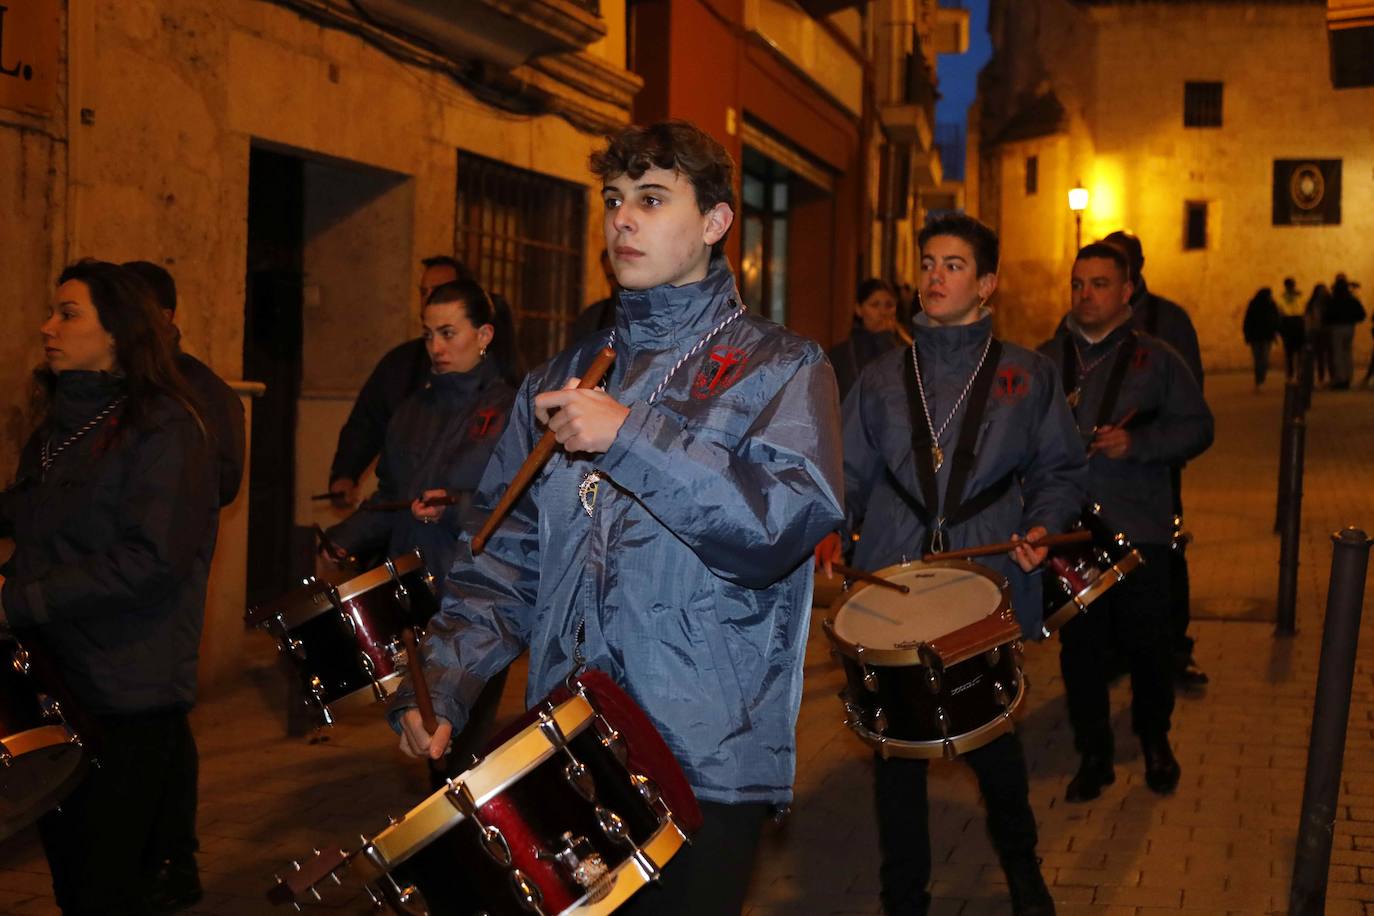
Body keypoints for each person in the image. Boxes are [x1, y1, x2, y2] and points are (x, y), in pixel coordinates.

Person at [388, 120, 845, 915]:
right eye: (613, 200)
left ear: (714, 222)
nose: (623, 219)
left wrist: (630, 436)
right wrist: (448, 685)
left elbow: (774, 531)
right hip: (571, 744)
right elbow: (502, 560)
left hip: (705, 753)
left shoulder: (784, 367)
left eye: (652, 199)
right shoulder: (565, 374)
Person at [816, 214, 1083, 916]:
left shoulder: (1029, 374)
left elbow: (1060, 470)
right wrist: (832, 529)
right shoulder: (878, 378)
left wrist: (1042, 527)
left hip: (984, 580)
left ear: (987, 283)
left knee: (992, 738)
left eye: (955, 265)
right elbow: (846, 476)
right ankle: (903, 896)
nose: (935, 277)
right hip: (892, 575)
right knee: (893, 749)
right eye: (928, 263)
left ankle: (1024, 874)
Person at [0, 260, 218, 914]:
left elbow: (151, 559)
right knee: (72, 876)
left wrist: (16, 602)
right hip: (57, 679)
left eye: (68, 313)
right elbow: (35, 514)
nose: (47, 327)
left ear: (118, 334)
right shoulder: (61, 426)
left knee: (108, 887)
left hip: (126, 692)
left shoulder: (165, 429)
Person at [1039, 243, 1214, 803]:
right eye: (1077, 284)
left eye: (1098, 284)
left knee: (1149, 643)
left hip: (1140, 526)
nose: (1085, 295)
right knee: (1081, 650)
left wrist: (1136, 443)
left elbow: (1199, 428)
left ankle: (1155, 740)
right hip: (1072, 531)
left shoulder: (1157, 359)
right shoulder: (1044, 360)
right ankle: (1094, 755)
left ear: (1126, 290)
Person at [324, 278, 520, 768]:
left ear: (485, 335)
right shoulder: (411, 410)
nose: (436, 347)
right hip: (413, 591)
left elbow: (519, 505)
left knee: (462, 741)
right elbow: (391, 494)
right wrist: (344, 539)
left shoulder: (510, 409)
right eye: (428, 334)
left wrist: (455, 504)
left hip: (475, 595)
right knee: (428, 733)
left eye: (449, 333)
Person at [1100, 230, 1207, 689]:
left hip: (1151, 469)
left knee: (1165, 557)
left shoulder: (1169, 321)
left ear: (1137, 269)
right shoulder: (1086, 324)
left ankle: (1173, 648)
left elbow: (1190, 406)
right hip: (1100, 474)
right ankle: (1114, 647)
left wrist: (1146, 442)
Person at [327, 255, 474, 506]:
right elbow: (367, 421)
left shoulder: (495, 383)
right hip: (406, 508)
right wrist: (346, 473)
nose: (428, 298)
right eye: (423, 291)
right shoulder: (401, 363)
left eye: (438, 291)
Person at [123, 260, 246, 507]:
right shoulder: (105, 378)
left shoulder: (202, 389)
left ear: (164, 317)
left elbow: (223, 481)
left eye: (127, 310)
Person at [828, 277, 903, 400]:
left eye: (889, 305)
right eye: (875, 305)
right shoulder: (842, 355)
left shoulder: (906, 351)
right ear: (859, 309)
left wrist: (886, 339)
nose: (883, 312)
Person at [1324, 274, 1367, 390]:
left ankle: (1340, 379)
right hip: (1349, 327)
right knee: (1347, 353)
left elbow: (1327, 315)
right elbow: (1362, 314)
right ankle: (1348, 377)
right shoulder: (1352, 300)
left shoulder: (1333, 300)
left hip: (1337, 328)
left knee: (1338, 354)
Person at [568, 249, 620, 341]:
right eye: (612, 277)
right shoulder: (591, 317)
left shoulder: (650, 311)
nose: (618, 282)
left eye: (621, 275)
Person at [1242, 287, 1281, 390]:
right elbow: (1248, 321)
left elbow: (1275, 320)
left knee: (1264, 359)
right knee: (1258, 359)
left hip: (1266, 337)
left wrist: (1275, 332)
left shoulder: (1271, 305)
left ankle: (1260, 378)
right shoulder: (1255, 305)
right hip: (1256, 337)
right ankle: (1259, 379)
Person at [1277, 277, 1306, 379]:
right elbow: (1281, 312)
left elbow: (1303, 309)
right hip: (1289, 322)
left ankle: (1298, 372)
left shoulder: (1299, 296)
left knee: (1298, 351)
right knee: (1290, 352)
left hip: (1297, 322)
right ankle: (1291, 372)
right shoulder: (1283, 298)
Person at [1307, 283, 1332, 385]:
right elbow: (1309, 318)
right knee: (1319, 356)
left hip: (1327, 331)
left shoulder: (1330, 303)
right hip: (1316, 331)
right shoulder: (1313, 304)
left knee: (1330, 355)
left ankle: (1332, 377)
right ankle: (1320, 378)